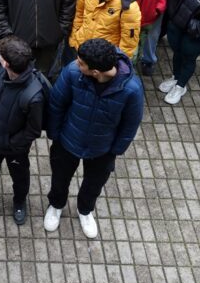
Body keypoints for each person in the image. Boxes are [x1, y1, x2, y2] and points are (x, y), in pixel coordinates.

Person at [44, 38, 144, 239]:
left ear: (96, 72)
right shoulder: (73, 72)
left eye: (81, 63)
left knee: (94, 184)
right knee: (60, 177)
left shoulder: (131, 89)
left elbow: (130, 124)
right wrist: (55, 135)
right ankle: (56, 205)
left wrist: (115, 150)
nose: (76, 64)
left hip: (102, 149)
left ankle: (85, 210)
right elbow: (56, 104)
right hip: (67, 141)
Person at [0, 36, 46, 224]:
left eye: (1, 57)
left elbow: (33, 130)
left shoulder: (34, 95)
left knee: (20, 176)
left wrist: (11, 144)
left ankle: (20, 202)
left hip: (14, 148)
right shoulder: (0, 69)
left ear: (7, 63)